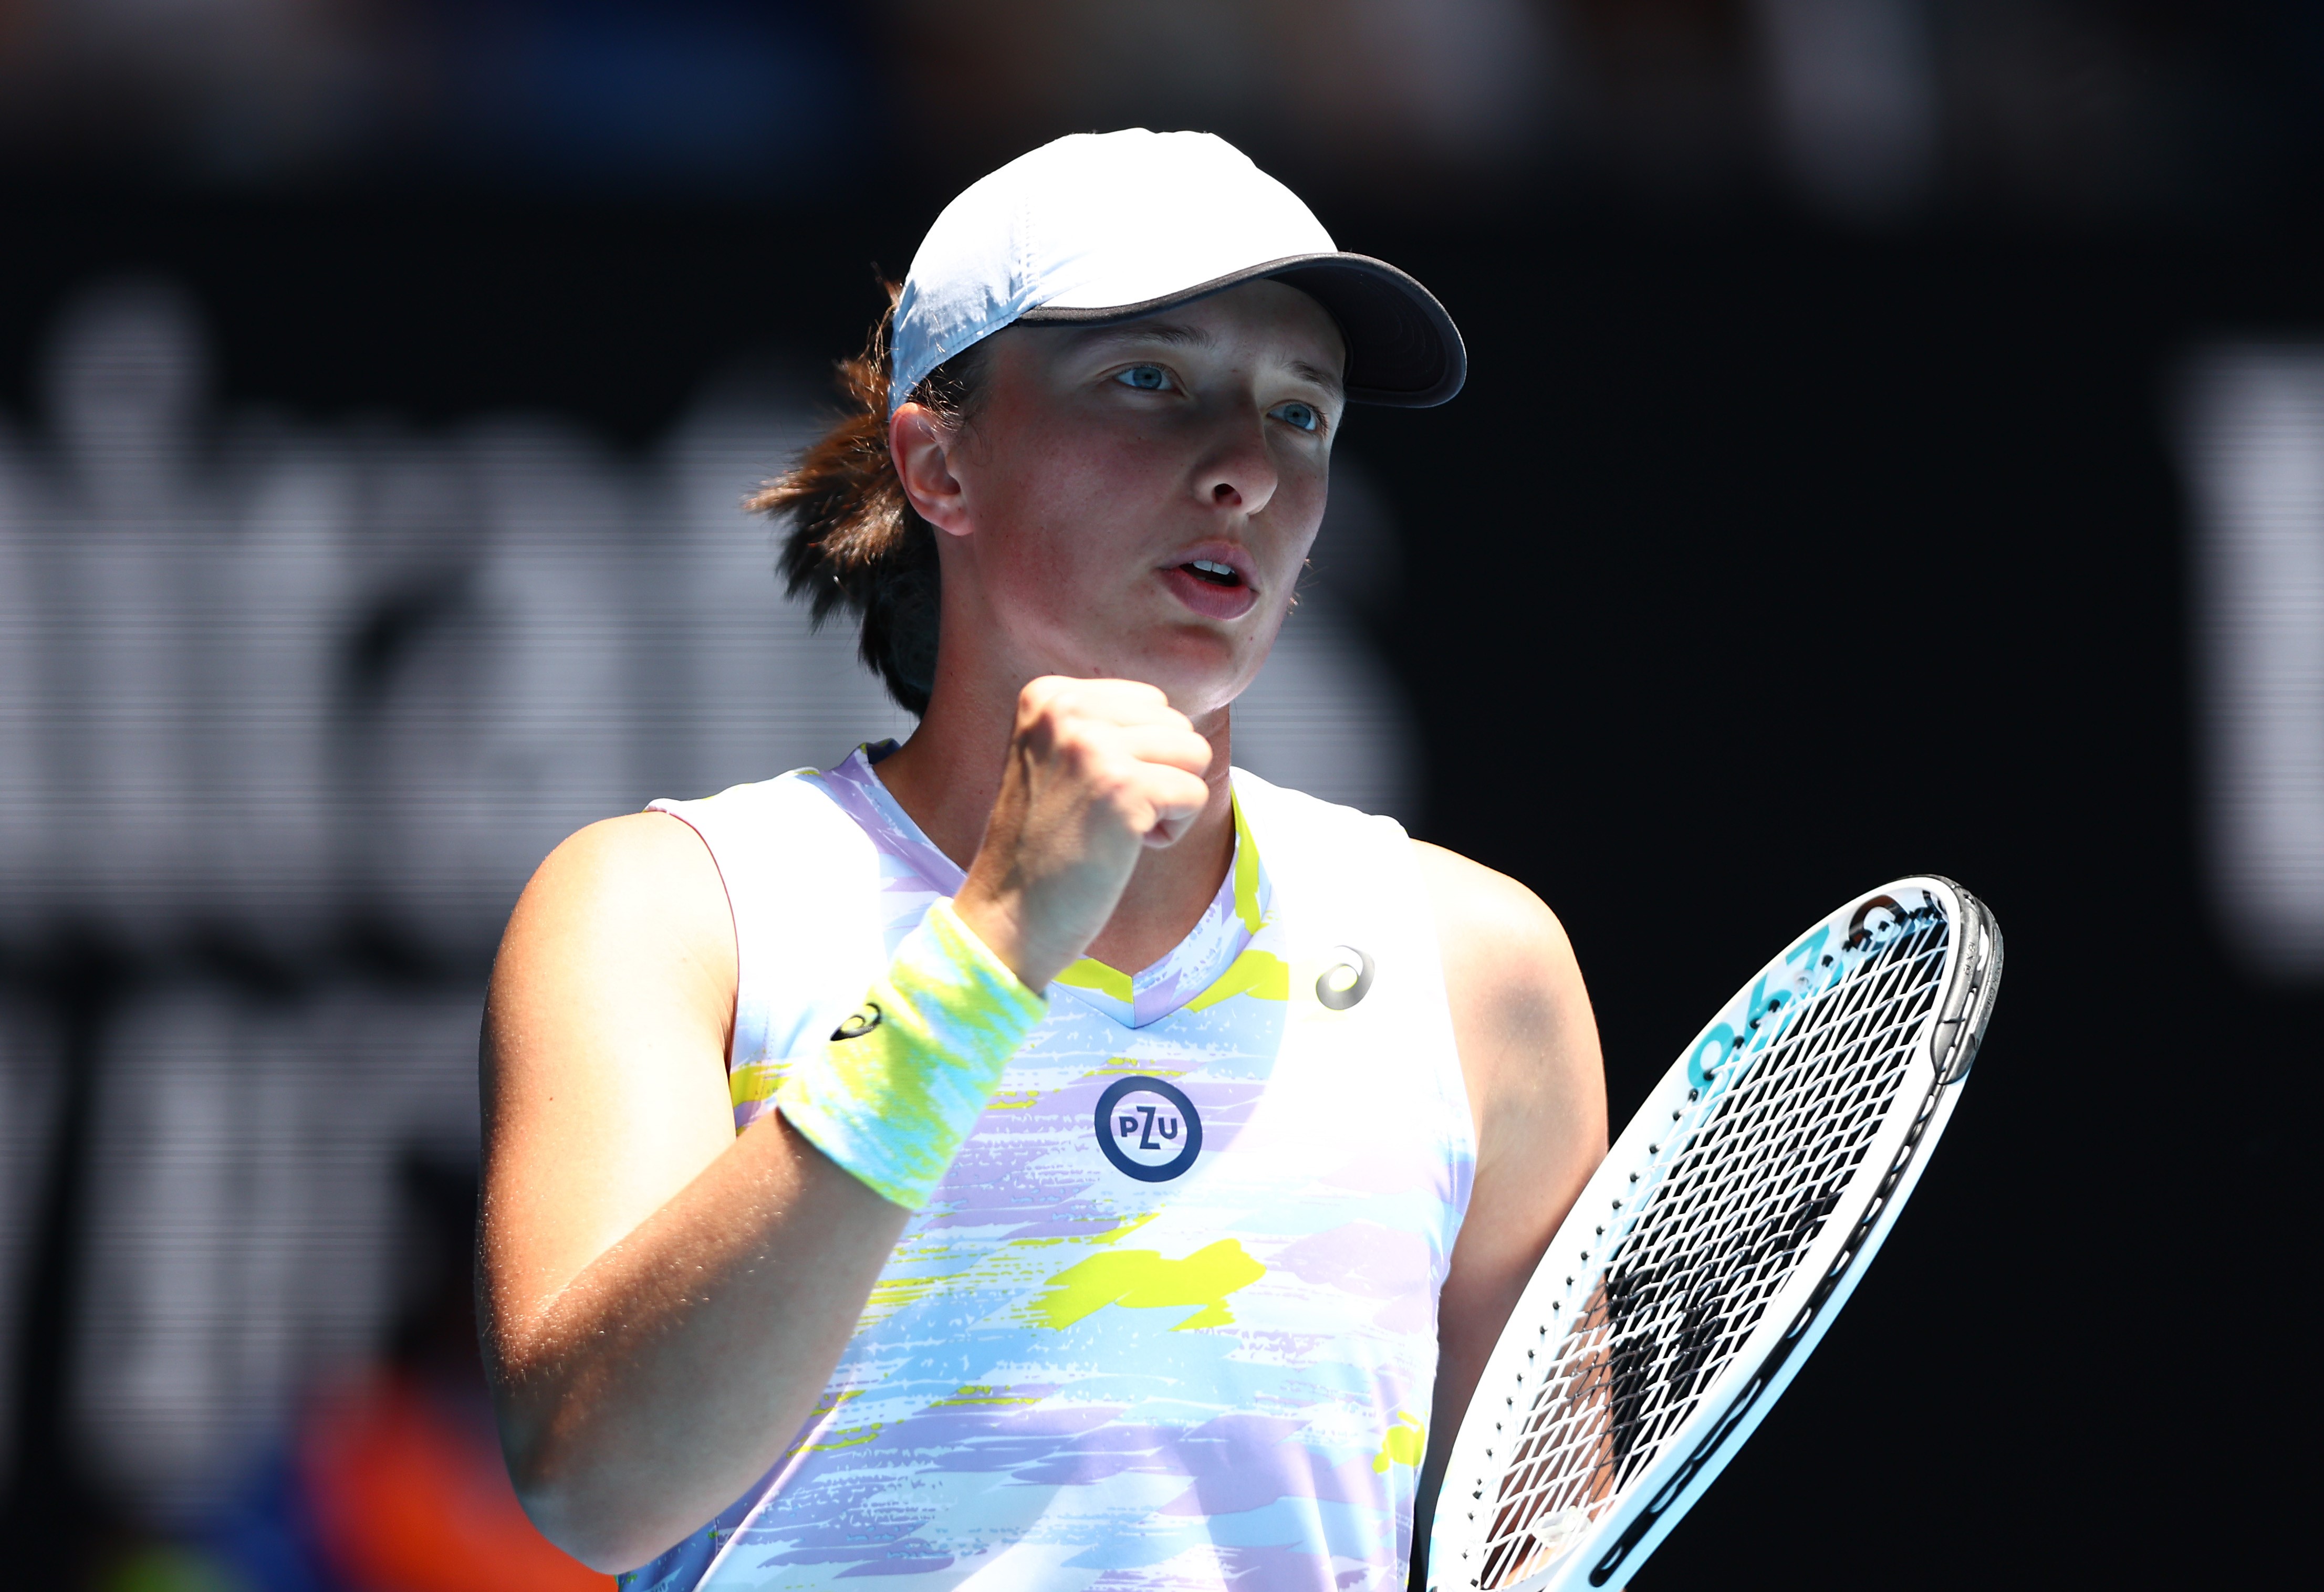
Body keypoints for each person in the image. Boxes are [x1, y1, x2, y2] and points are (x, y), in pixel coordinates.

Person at [477, 130, 1607, 1591]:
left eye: (1300, 415)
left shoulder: (1476, 969)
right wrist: (992, 950)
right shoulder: (668, 910)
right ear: (939, 462)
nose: (1243, 472)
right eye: (1150, 381)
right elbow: (598, 1485)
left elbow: (1540, 1552)